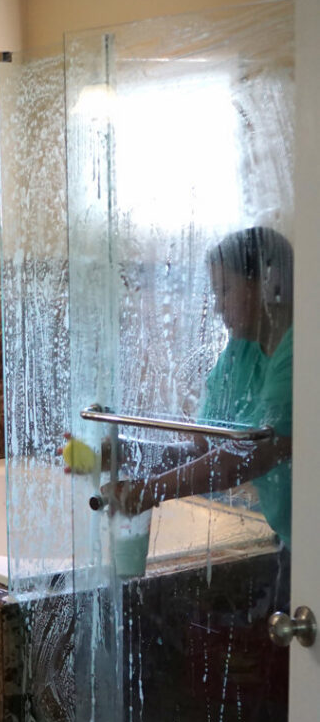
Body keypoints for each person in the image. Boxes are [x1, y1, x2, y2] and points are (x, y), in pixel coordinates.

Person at [100, 226, 293, 549]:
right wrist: (127, 451)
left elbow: (253, 455)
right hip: (293, 541)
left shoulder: (299, 353)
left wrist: (151, 490)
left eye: (225, 290)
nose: (218, 307)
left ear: (267, 282)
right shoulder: (242, 351)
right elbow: (204, 449)